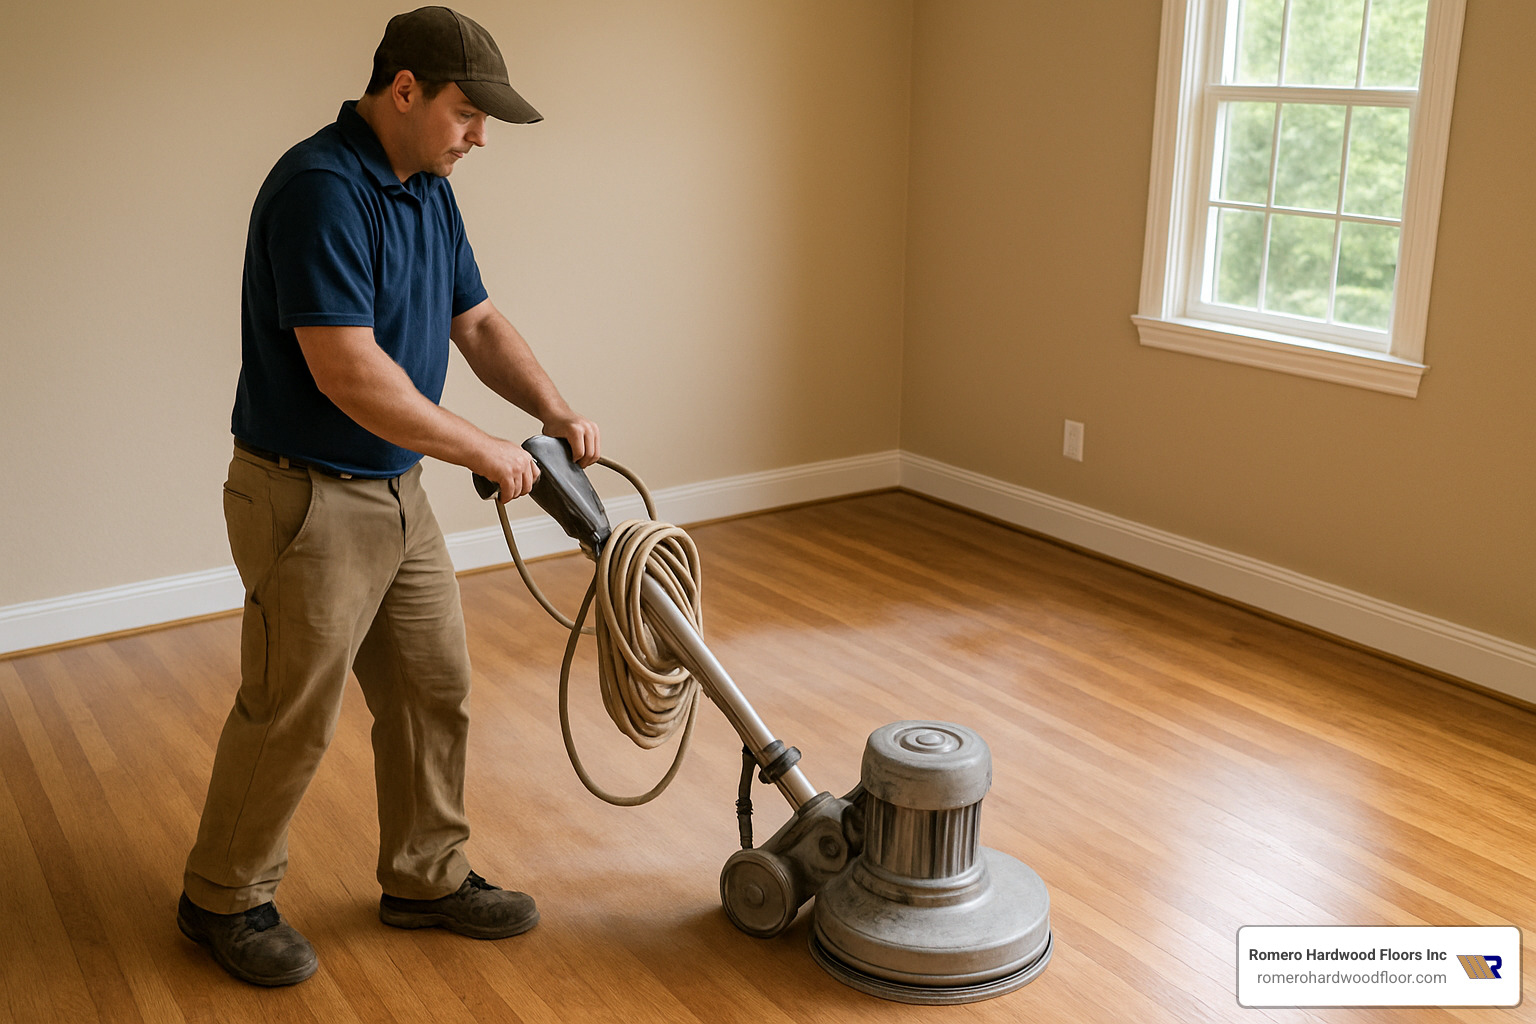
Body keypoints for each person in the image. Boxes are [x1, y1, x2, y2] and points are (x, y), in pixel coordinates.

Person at [176, 6, 597, 987]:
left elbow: (478, 323)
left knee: (431, 688)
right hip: (307, 497)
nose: (480, 136)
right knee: (292, 709)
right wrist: (487, 450)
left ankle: (426, 875)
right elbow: (350, 373)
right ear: (402, 90)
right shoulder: (321, 188)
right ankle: (219, 897)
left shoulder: (426, 186)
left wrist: (553, 408)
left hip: (395, 491)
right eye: (466, 113)